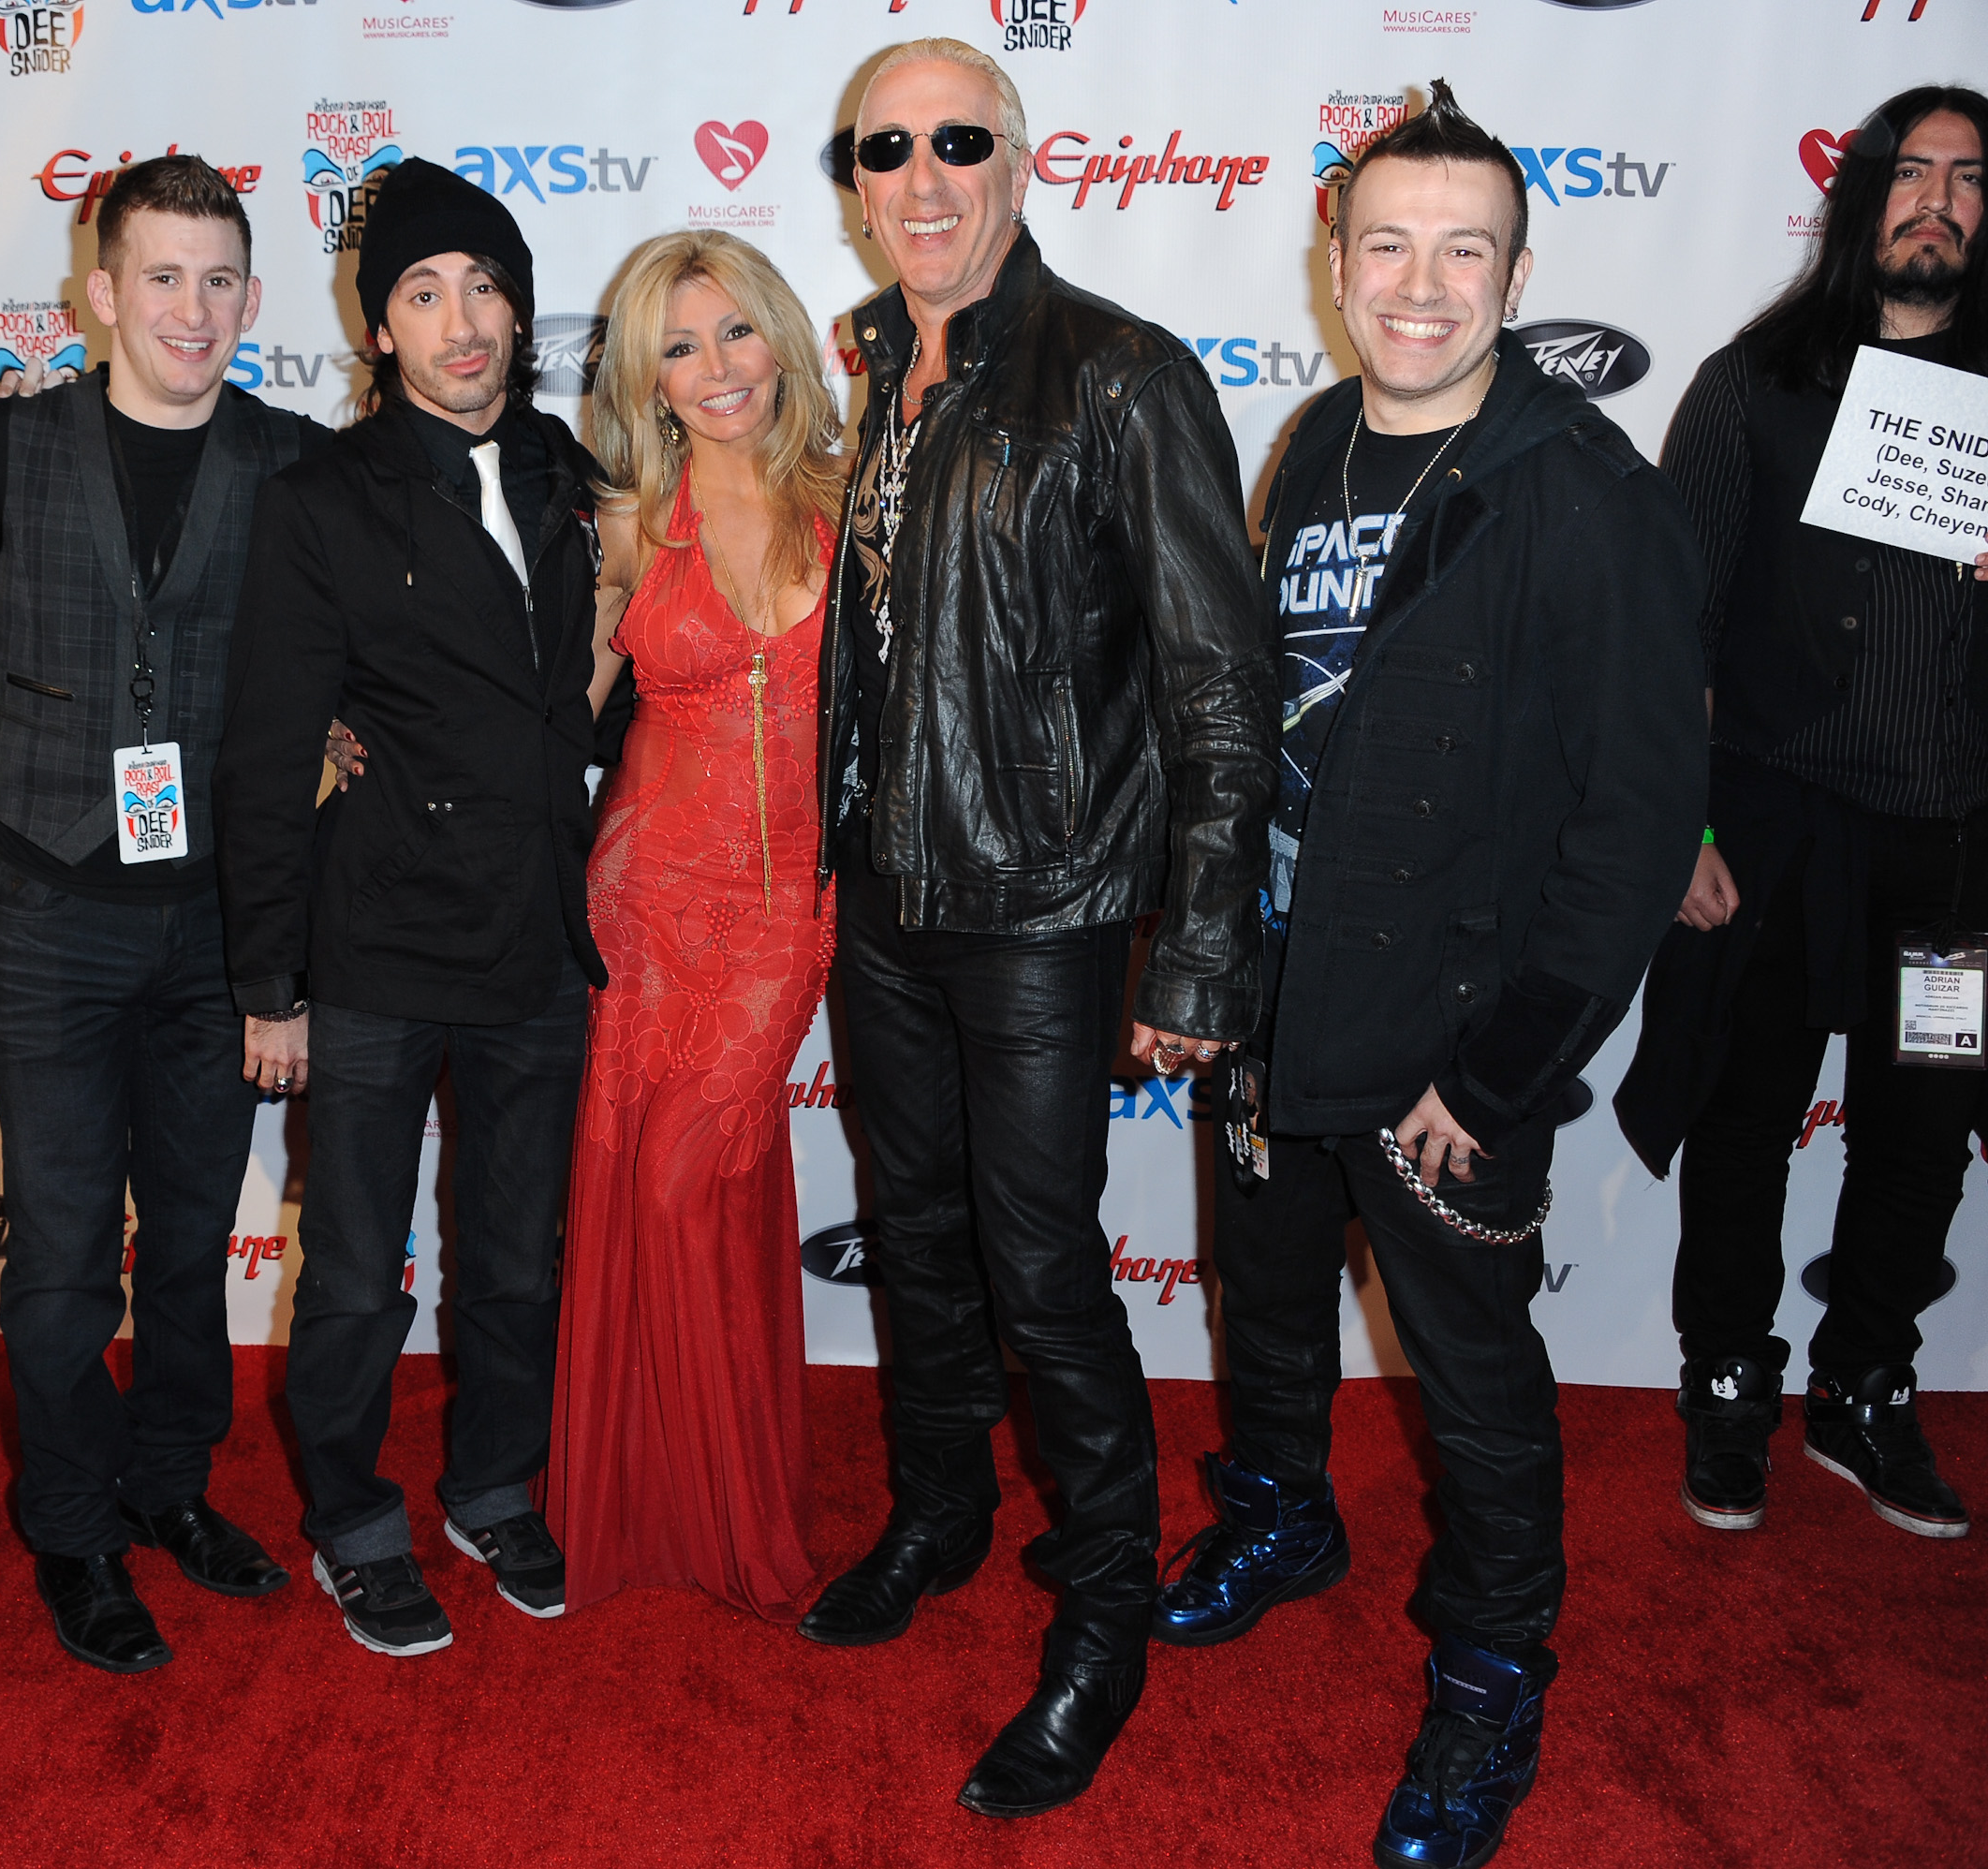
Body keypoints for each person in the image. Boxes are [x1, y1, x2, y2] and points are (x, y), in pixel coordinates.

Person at [1153, 85, 1705, 1869]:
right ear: (1335, 262)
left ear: (1518, 274)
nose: (1421, 282)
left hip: (1450, 1043)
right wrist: (1215, 958)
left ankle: (1486, 1675)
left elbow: (1632, 830)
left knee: (1472, 1377)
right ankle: (1281, 1513)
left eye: (1464, 249)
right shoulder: (1315, 440)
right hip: (1282, 992)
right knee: (1267, 1295)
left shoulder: (1586, 496)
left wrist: (1504, 1072)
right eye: (1388, 243)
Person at [804, 38, 1274, 1817]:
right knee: (914, 1236)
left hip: (1042, 903)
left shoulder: (1124, 376)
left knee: (1044, 1264)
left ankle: (1101, 1620)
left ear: (1020, 157)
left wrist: (1205, 944)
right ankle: (937, 1512)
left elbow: (1223, 685)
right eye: (886, 149)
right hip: (885, 895)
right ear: (854, 180)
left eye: (957, 143)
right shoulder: (868, 367)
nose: (921, 179)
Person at [213, 159, 610, 1657]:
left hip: (532, 944)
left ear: (517, 307)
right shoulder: (321, 498)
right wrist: (269, 985)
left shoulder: (572, 469)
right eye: (424, 296)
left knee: (517, 1256)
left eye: (486, 288)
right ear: (377, 330)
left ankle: (493, 1482)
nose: (462, 322)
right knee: (359, 1275)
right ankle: (354, 1520)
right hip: (373, 944)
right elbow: (267, 752)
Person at [0, 154, 323, 1676]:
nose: (191, 308)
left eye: (218, 279)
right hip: (47, 907)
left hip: (218, 921)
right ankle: (75, 1530)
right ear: (98, 293)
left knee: (187, 1251)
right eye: (160, 276)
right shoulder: (8, 443)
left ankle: (170, 1489)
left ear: (250, 296)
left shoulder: (296, 461)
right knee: (54, 1264)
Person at [1617, 85, 1988, 1545]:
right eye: (1912, 173)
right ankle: (1727, 1379)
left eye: (1969, 179)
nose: (1938, 202)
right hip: (1765, 840)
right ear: (1862, 197)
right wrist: (1684, 831)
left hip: (1955, 860)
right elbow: (1666, 634)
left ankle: (1867, 1385)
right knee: (1746, 1116)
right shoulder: (1753, 382)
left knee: (1927, 1125)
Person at [543, 230, 845, 1621]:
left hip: (788, 910)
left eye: (735, 335)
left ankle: (727, 1507)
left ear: (780, 340)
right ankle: (650, 1504)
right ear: (648, 381)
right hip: (643, 900)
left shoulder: (858, 500)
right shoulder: (621, 526)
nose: (716, 369)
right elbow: (547, 707)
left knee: (687, 1177)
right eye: (680, 346)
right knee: (645, 1184)